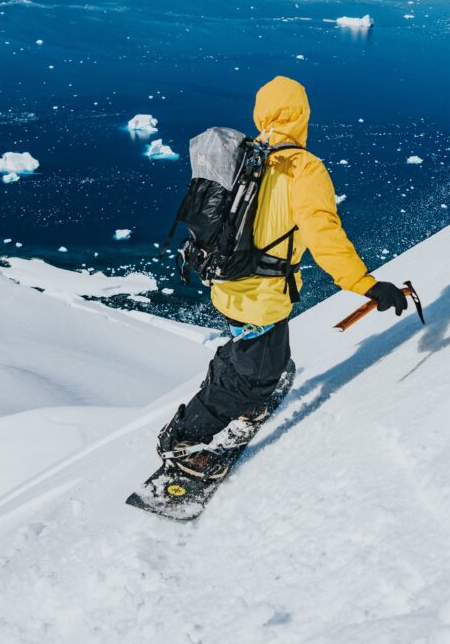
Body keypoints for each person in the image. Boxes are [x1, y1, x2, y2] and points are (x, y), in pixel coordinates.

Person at [158, 75, 407, 477]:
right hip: (262, 294)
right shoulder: (302, 168)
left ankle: (236, 384)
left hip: (225, 283)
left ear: (262, 114)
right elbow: (323, 235)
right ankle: (182, 442)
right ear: (302, 115)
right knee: (257, 377)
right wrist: (366, 284)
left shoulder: (247, 156)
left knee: (253, 353)